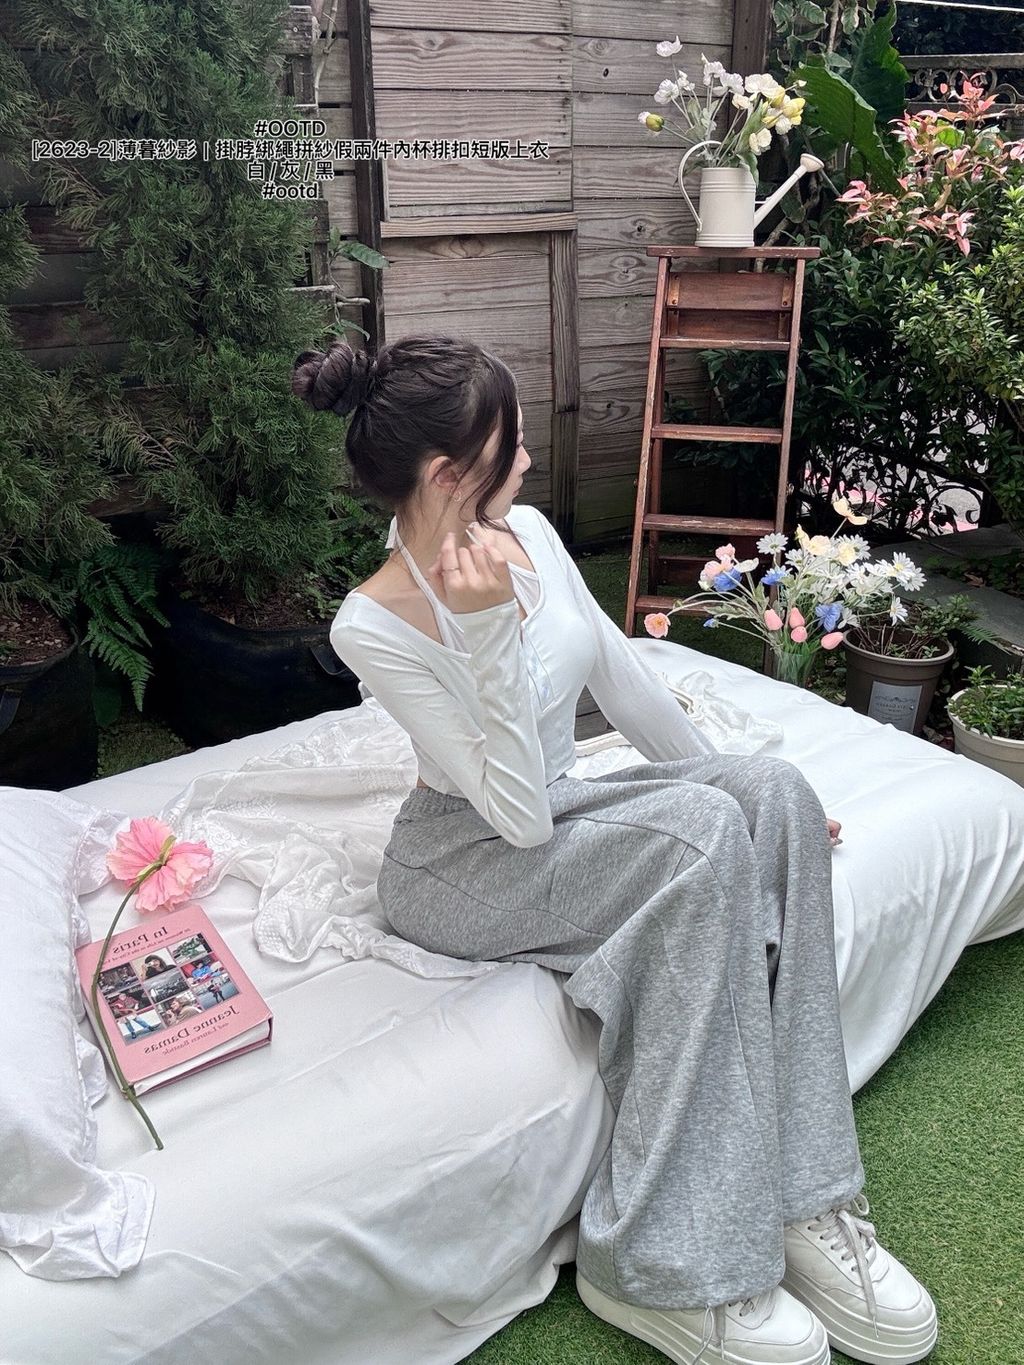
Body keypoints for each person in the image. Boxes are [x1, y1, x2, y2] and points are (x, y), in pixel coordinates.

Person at [293, 336, 938, 1365]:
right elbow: (516, 815)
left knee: (769, 796)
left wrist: (735, 791)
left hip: (559, 810)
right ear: (448, 474)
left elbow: (621, 680)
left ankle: (805, 1199)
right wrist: (486, 635)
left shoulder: (532, 533)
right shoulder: (370, 623)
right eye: (511, 446)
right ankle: (654, 1266)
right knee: (697, 840)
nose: (529, 461)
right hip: (463, 858)